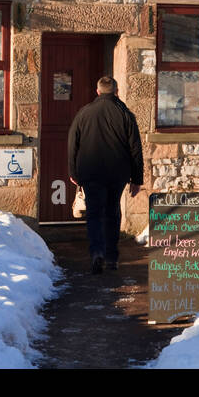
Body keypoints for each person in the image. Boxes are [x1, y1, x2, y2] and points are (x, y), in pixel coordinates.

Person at [67, 75, 143, 275]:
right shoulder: (125, 113)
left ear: (98, 91)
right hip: (117, 173)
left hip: (91, 172)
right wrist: (137, 179)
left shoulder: (84, 113)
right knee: (112, 212)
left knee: (93, 214)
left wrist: (73, 172)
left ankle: (96, 252)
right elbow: (135, 148)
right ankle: (111, 257)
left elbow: (72, 144)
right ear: (116, 92)